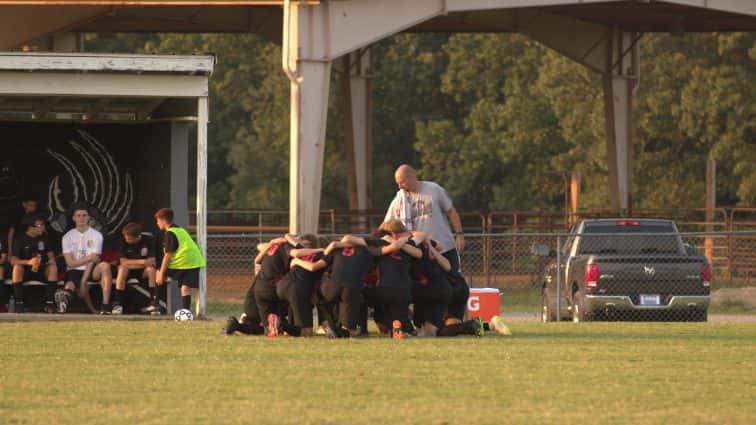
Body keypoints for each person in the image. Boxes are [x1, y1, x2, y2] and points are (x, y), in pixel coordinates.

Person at [384, 164, 465, 273]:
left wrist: (459, 234)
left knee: (454, 281)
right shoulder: (399, 199)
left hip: (445, 248)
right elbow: (387, 224)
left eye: (402, 182)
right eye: (397, 183)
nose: (399, 187)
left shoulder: (434, 189)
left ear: (412, 176)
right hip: (422, 253)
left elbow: (451, 211)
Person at [58, 204, 111, 314]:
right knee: (70, 285)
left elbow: (93, 260)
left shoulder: (97, 235)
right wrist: (89, 257)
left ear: (88, 218)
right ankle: (63, 301)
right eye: (78, 215)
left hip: (91, 269)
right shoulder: (67, 236)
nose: (81, 218)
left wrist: (83, 281)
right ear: (73, 218)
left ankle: (105, 305)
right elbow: (70, 263)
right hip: (74, 270)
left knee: (105, 266)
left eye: (84, 215)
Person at [154, 208, 205, 314]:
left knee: (159, 271)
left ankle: (155, 303)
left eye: (158, 221)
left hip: (182, 263)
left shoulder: (170, 233)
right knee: (185, 288)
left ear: (163, 220)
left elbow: (168, 255)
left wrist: (162, 273)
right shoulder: (180, 230)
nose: (157, 223)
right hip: (193, 262)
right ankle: (186, 313)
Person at [9, 213, 58, 313]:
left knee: (53, 267)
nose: (43, 228)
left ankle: (50, 303)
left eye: (43, 225)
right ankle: (19, 303)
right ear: (30, 227)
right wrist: (28, 262)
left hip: (41, 270)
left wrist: (51, 261)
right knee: (17, 267)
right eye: (40, 225)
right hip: (26, 270)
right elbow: (13, 260)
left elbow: (51, 256)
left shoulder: (44, 237)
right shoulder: (20, 239)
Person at [113, 222, 157, 315]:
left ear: (137, 237)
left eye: (129, 238)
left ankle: (153, 303)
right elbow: (123, 261)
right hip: (128, 271)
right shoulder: (122, 241)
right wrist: (143, 262)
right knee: (122, 269)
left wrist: (132, 263)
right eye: (125, 237)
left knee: (151, 270)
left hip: (143, 272)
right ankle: (118, 304)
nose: (126, 239)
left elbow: (151, 261)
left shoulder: (148, 240)